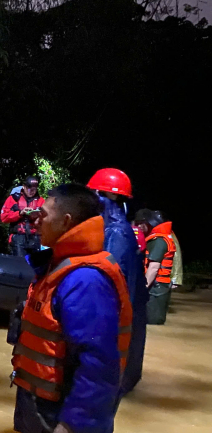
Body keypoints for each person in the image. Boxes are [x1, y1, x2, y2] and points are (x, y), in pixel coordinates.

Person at [11, 184, 132, 433]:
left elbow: (99, 362)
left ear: (65, 221)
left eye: (43, 214)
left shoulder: (85, 279)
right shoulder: (61, 266)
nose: (36, 220)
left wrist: (74, 427)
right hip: (54, 407)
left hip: (67, 414)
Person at [87, 168, 149, 395]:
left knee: (112, 386)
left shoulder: (116, 233)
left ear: (106, 196)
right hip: (130, 318)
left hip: (121, 321)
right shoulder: (117, 228)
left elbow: (112, 281)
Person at [135, 209, 176, 325]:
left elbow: (154, 267)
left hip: (156, 288)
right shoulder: (161, 238)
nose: (139, 227)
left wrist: (144, 287)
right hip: (158, 287)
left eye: (141, 223)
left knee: (152, 321)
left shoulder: (159, 240)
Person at [1, 175, 45, 257]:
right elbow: (3, 217)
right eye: (30, 189)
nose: (32, 192)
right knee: (20, 263)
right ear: (24, 187)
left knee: (35, 263)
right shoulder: (13, 199)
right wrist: (20, 213)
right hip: (18, 238)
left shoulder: (41, 201)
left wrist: (37, 216)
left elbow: (47, 219)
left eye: (34, 189)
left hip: (35, 238)